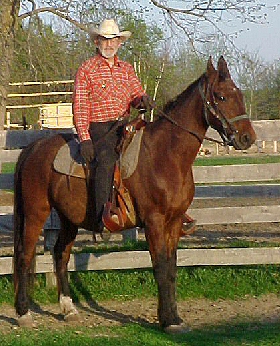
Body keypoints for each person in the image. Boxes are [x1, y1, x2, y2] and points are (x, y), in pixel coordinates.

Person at [73, 19, 154, 232]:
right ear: (97, 42)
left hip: (125, 125)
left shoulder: (126, 69)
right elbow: (80, 106)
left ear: (119, 42)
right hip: (100, 129)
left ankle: (151, 211)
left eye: (113, 40)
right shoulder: (86, 69)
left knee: (151, 154)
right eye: (105, 40)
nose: (109, 45)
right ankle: (103, 218)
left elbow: (136, 94)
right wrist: (85, 138)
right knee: (107, 161)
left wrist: (142, 101)